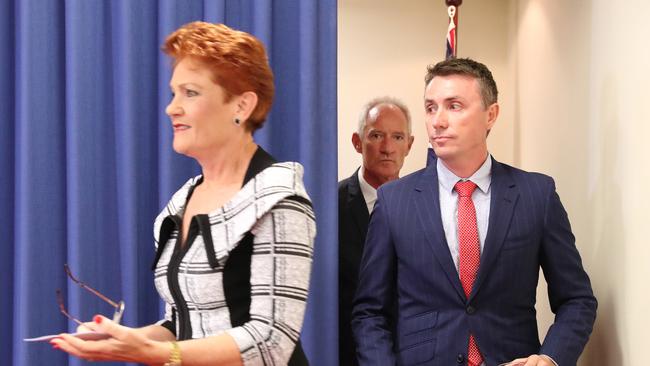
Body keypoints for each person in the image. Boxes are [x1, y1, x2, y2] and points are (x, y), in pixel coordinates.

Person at [51, 21, 316, 366]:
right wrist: (125, 340)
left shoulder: (279, 199)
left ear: (241, 106)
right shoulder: (182, 201)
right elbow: (184, 324)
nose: (171, 107)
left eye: (190, 93)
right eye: (174, 93)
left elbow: (271, 341)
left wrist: (155, 353)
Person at [352, 58, 597, 366]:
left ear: (490, 114)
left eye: (454, 106)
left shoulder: (537, 195)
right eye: (430, 108)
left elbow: (577, 300)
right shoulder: (394, 201)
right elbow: (369, 313)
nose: (438, 121)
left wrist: (549, 359)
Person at [338, 97, 414, 366]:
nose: (387, 148)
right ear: (357, 142)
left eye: (397, 137)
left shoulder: (425, 205)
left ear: (410, 144)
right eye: (376, 135)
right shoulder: (329, 205)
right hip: (347, 354)